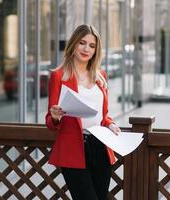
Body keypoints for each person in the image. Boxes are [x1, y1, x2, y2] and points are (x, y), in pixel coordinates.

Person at [45, 24, 120, 200]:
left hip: (101, 146)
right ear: (74, 44)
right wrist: (55, 117)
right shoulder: (59, 76)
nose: (86, 49)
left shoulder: (100, 76)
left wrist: (111, 125)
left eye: (92, 46)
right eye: (82, 43)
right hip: (74, 149)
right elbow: (50, 121)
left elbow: (104, 116)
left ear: (96, 50)